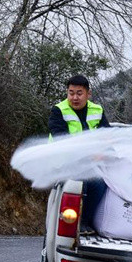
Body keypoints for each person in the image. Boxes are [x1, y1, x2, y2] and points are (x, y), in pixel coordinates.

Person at [47, 75, 110, 229]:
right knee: (81, 184)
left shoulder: (97, 110)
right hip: (62, 164)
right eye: (71, 93)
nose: (75, 97)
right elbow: (61, 138)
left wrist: (105, 152)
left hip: (88, 165)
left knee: (101, 184)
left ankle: (85, 222)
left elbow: (107, 136)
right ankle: (70, 223)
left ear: (88, 94)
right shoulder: (59, 110)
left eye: (79, 93)